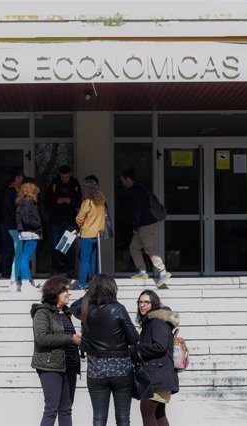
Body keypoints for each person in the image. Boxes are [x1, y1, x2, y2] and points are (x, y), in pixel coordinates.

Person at [71, 274, 139, 426]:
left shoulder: (85, 309)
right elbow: (134, 338)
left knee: (99, 418)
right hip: (121, 369)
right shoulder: (118, 309)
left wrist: (88, 293)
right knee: (123, 418)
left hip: (96, 370)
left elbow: (72, 307)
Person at [31, 276, 82, 426]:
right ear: (55, 292)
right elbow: (42, 338)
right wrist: (70, 339)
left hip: (69, 365)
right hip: (50, 366)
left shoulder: (66, 313)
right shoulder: (42, 312)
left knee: (66, 409)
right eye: (65, 290)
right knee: (51, 409)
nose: (69, 293)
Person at [119, 168, 172, 289]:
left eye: (123, 180)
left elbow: (137, 210)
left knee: (149, 248)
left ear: (128, 179)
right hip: (143, 224)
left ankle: (163, 272)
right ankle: (142, 271)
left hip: (145, 224)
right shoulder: (140, 189)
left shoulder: (136, 191)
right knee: (134, 247)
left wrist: (135, 226)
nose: (122, 183)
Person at [135, 290, 179, 426]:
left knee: (147, 413)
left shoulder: (156, 321)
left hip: (157, 376)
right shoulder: (153, 321)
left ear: (154, 303)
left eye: (146, 302)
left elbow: (160, 346)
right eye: (140, 302)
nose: (142, 305)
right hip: (160, 374)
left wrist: (137, 348)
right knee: (159, 414)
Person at [47, 165, 81, 277]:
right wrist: (58, 201)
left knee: (69, 245)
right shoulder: (54, 183)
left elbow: (78, 200)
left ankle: (70, 269)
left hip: (70, 220)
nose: (65, 179)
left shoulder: (74, 183)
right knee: (57, 245)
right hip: (56, 220)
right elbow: (47, 199)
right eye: (63, 176)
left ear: (70, 174)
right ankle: (55, 268)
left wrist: (69, 200)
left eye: (66, 176)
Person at [72, 179, 106, 290]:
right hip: (98, 234)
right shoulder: (101, 200)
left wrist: (81, 224)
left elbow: (79, 218)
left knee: (85, 259)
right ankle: (95, 282)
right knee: (94, 259)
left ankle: (82, 283)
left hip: (87, 234)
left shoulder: (87, 202)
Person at [17, 177, 42, 291]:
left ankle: (28, 280)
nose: (37, 189)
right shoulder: (28, 202)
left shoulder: (24, 201)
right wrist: (38, 225)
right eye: (34, 187)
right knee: (25, 258)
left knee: (25, 257)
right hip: (31, 232)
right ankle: (26, 282)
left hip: (27, 232)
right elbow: (27, 219)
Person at [2, 167, 24, 289]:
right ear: (16, 178)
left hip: (14, 226)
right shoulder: (11, 191)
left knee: (17, 250)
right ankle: (11, 275)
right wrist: (17, 223)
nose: (22, 179)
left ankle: (15, 274)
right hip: (12, 226)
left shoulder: (18, 190)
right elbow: (10, 209)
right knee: (15, 250)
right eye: (21, 177)